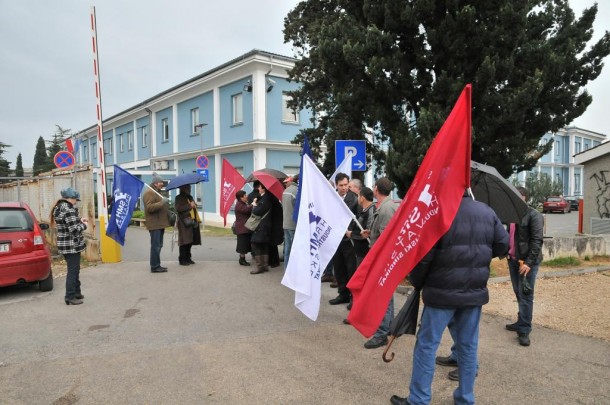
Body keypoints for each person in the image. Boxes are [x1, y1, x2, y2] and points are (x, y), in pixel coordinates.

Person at [390, 192, 509, 405]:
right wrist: (477, 257)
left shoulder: (438, 213)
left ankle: (418, 400)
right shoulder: (487, 212)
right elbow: (503, 245)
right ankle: (465, 398)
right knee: (468, 346)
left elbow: (423, 257)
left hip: (440, 293)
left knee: (427, 346)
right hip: (472, 293)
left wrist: (417, 282)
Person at [360, 178, 398, 348]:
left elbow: (387, 239)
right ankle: (387, 328)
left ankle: (382, 333)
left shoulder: (387, 209)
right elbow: (382, 233)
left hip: (383, 260)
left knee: (383, 295)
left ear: (376, 189)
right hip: (382, 258)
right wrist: (372, 233)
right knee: (385, 295)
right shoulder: (385, 207)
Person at [506, 186, 544, 346]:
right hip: (513, 260)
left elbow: (537, 240)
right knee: (518, 292)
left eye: (517, 196)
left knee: (526, 295)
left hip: (527, 263)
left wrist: (528, 263)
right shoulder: (511, 215)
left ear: (524, 198)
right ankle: (521, 321)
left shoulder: (534, 215)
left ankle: (524, 330)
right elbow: (510, 236)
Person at [51, 187, 88, 305]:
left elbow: (67, 224)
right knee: (73, 271)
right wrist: (84, 224)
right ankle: (70, 296)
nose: (76, 201)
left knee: (75, 269)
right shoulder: (69, 209)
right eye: (76, 199)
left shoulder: (59, 207)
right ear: (71, 198)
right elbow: (74, 229)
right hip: (71, 244)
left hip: (64, 243)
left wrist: (79, 220)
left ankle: (77, 292)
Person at [328, 172, 359, 305]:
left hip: (348, 240)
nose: (344, 188)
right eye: (341, 185)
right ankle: (343, 294)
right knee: (338, 268)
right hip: (335, 239)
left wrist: (351, 233)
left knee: (351, 269)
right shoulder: (331, 196)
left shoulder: (355, 199)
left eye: (346, 185)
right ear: (336, 185)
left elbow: (358, 219)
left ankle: (353, 298)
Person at [250, 182, 283, 274]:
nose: (258, 189)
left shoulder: (266, 198)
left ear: (263, 188)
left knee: (255, 243)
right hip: (266, 225)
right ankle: (264, 266)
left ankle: (260, 267)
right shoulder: (268, 197)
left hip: (262, 225)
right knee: (264, 244)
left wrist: (254, 204)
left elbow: (257, 211)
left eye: (260, 187)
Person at [143, 173, 171, 273]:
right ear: (155, 183)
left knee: (159, 245)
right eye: (160, 182)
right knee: (155, 246)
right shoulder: (149, 193)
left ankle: (157, 265)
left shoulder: (156, 192)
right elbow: (149, 208)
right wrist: (162, 203)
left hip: (159, 224)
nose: (162, 184)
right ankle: (155, 266)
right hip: (154, 224)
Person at [174, 184, 201, 266]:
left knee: (190, 241)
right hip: (183, 222)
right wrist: (190, 205)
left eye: (190, 187)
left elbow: (193, 206)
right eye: (188, 188)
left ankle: (188, 258)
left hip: (192, 221)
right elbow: (178, 208)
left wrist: (194, 204)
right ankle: (182, 259)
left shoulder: (190, 197)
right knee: (184, 241)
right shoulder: (178, 197)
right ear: (183, 189)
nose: (190, 189)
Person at [282, 174, 298, 269]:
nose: (285, 184)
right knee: (294, 249)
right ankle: (293, 271)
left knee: (287, 248)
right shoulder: (296, 191)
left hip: (286, 223)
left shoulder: (285, 191)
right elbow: (297, 208)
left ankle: (286, 270)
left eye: (286, 182)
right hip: (293, 224)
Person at [234, 190, 253, 266]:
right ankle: (242, 259)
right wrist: (253, 204)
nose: (246, 196)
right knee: (242, 245)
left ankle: (242, 258)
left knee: (244, 244)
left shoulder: (242, 203)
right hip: (242, 228)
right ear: (241, 197)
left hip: (244, 227)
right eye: (245, 195)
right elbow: (247, 210)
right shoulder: (239, 205)